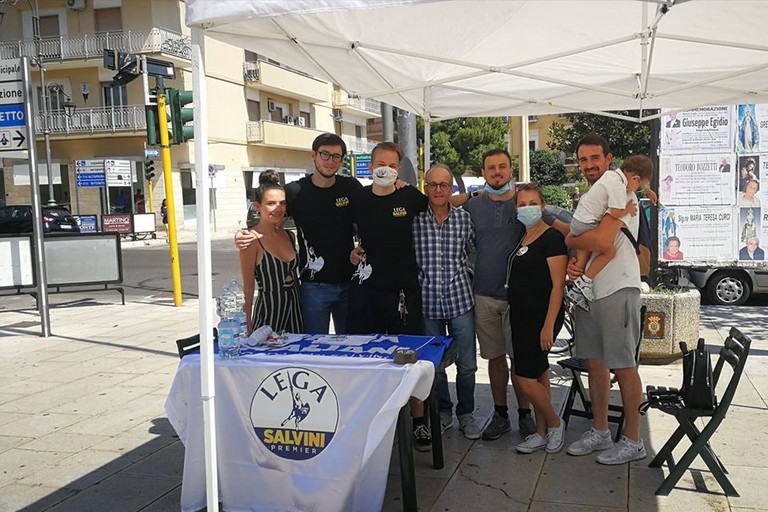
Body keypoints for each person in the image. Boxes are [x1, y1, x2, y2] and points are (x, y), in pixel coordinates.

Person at [564, 135, 647, 465]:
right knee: (595, 365)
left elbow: (599, 238)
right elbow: (589, 241)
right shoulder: (595, 198)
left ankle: (634, 440)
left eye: (594, 158)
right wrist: (576, 256)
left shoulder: (624, 193)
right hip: (590, 293)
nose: (589, 165)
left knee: (624, 367)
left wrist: (572, 237)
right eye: (583, 160)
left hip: (618, 290)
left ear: (609, 159)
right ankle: (600, 431)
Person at [347, 142, 431, 449]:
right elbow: (342, 232)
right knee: (367, 356)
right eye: (380, 163)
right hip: (366, 290)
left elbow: (441, 201)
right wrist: (351, 251)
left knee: (409, 357)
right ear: (370, 166)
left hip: (403, 291)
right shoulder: (358, 198)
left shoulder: (409, 196)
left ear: (399, 168)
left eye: (392, 164)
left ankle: (419, 421)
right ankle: (370, 419)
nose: (385, 168)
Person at [236, 133, 362, 335]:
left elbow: (369, 218)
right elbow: (273, 219)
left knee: (350, 349)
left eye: (336, 156)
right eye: (325, 155)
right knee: (311, 348)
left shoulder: (351, 187)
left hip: (350, 283)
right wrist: (244, 234)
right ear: (314, 156)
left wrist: (397, 185)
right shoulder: (295, 191)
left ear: (342, 160)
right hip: (313, 288)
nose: (330, 161)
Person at [463, 148, 537, 441]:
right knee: (494, 358)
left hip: (518, 296)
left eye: (502, 167)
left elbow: (555, 223)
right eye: (491, 168)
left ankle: (525, 414)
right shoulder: (472, 206)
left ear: (511, 170)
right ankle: (501, 414)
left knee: (520, 359)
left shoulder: (524, 203)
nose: (497, 172)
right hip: (483, 294)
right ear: (484, 172)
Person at [412, 164, 480, 440]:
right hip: (427, 303)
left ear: (452, 187)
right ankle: (443, 412)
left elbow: (473, 251)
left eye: (444, 185)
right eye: (433, 185)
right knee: (434, 366)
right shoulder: (414, 221)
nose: (438, 190)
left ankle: (467, 414)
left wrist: (469, 274)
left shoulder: (464, 220)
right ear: (425, 187)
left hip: (460, 300)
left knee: (467, 365)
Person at [506, 184, 568, 454]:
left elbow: (558, 286)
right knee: (539, 374)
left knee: (524, 379)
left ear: (543, 206)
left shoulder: (552, 238)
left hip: (540, 317)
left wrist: (547, 326)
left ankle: (555, 423)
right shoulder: (523, 236)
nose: (527, 207)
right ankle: (541, 433)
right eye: (522, 203)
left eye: (533, 202)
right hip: (521, 316)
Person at [566, 155, 654, 310]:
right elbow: (614, 213)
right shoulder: (619, 188)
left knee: (583, 254)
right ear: (634, 178)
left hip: (579, 222)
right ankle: (584, 282)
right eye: (639, 187)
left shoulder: (611, 176)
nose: (636, 191)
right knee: (609, 252)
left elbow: (635, 181)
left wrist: (647, 190)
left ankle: (576, 289)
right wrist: (628, 209)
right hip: (586, 224)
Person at [239, 172, 302, 334]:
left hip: (296, 312)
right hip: (269, 315)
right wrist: (248, 325)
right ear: (258, 206)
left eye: (282, 203)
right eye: (271, 203)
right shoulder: (251, 240)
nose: (278, 208)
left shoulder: (289, 235)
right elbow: (248, 287)